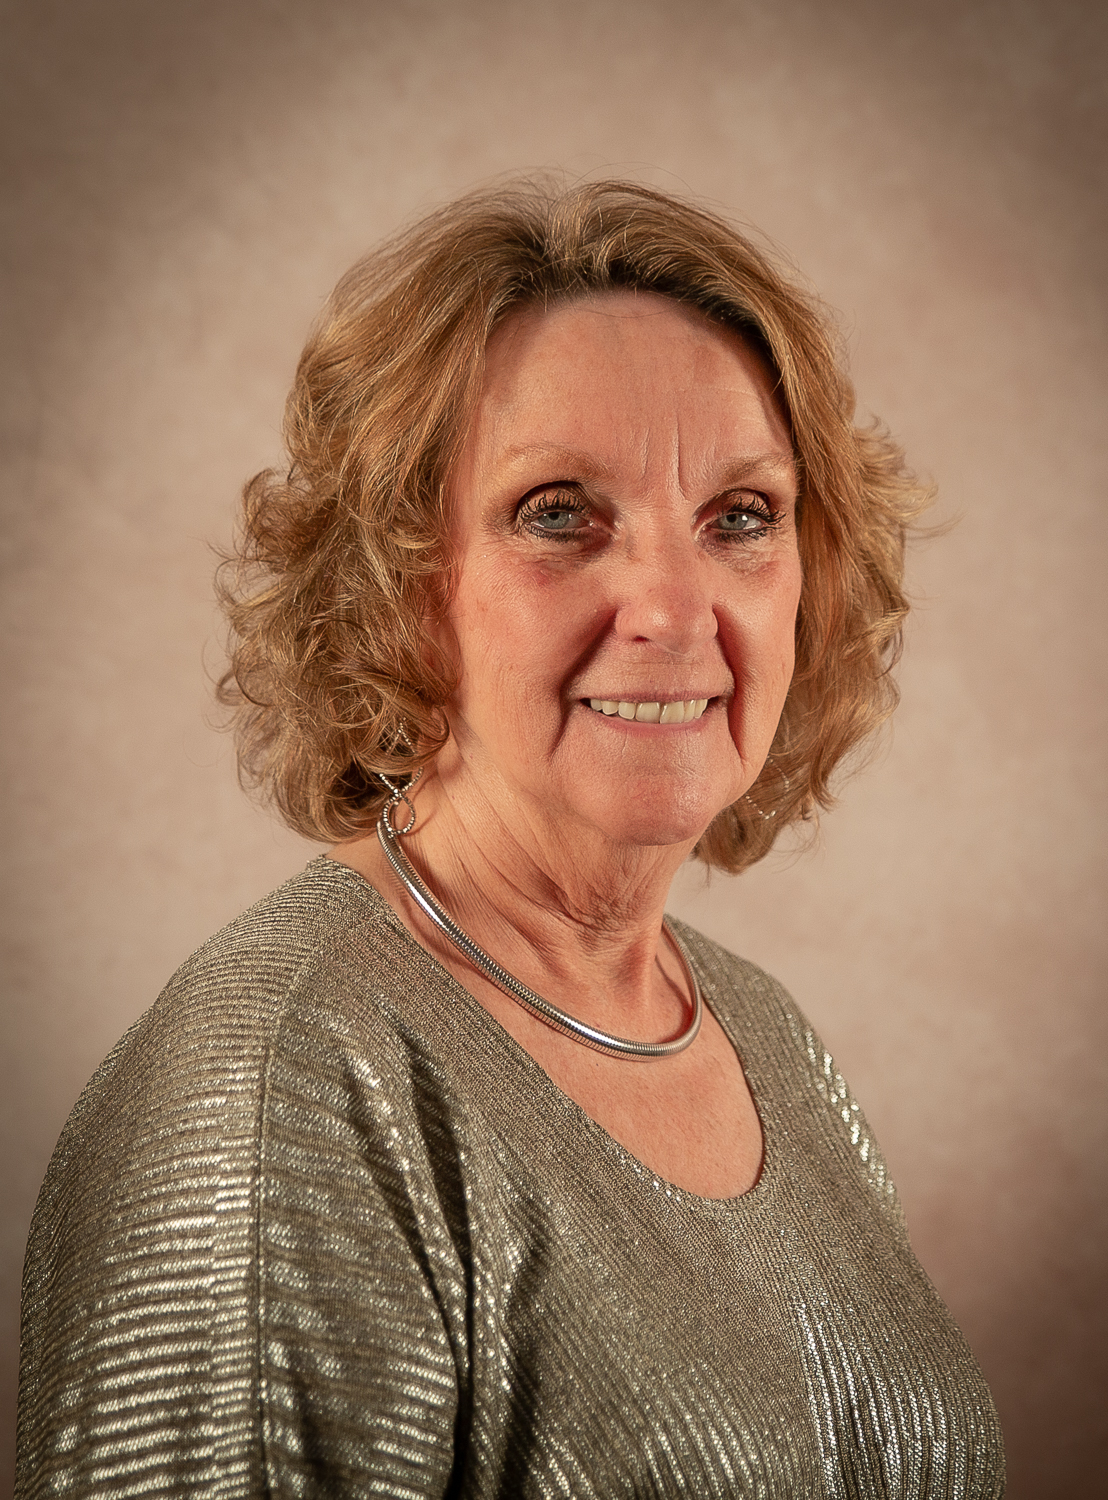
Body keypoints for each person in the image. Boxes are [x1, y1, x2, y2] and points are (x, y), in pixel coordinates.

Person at [17, 180, 1005, 1498]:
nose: (673, 609)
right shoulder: (278, 1091)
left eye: (741, 518)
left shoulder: (760, 1034)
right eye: (558, 513)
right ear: (393, 586)